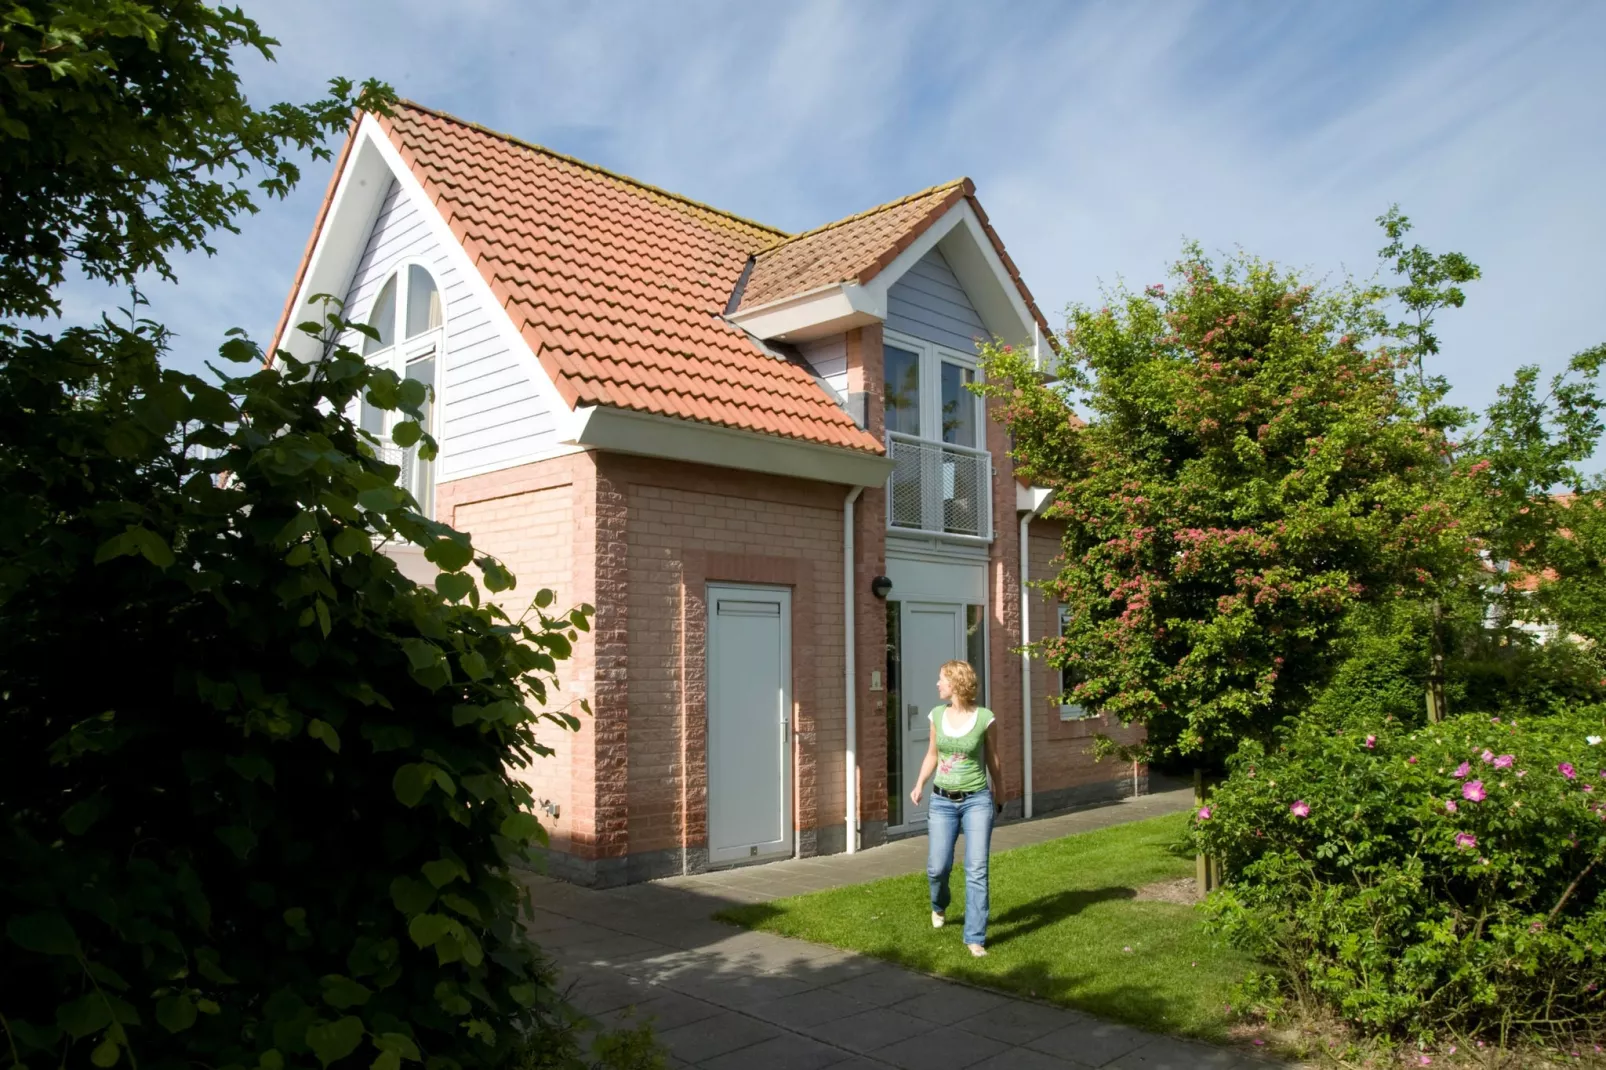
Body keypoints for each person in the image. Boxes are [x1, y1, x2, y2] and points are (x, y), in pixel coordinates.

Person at [909, 659, 1003, 957]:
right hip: (941, 801)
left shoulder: (985, 718)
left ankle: (974, 937)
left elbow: (993, 759)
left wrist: (999, 790)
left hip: (976, 799)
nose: (937, 684)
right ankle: (939, 904)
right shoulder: (937, 715)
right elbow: (932, 754)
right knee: (938, 867)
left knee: (976, 868)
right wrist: (919, 784)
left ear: (956, 683)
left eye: (941, 679)